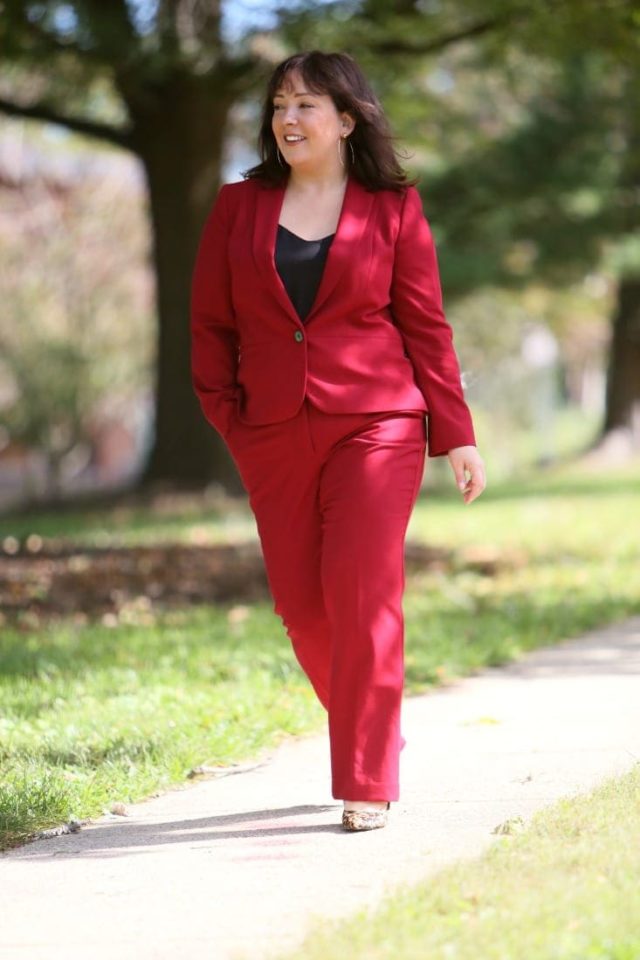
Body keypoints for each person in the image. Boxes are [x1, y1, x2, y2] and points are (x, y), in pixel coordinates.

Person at [190, 50, 486, 832]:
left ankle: (366, 778)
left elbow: (425, 324)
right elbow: (210, 325)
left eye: (307, 105)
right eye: (280, 105)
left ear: (347, 119)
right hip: (272, 430)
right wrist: (231, 420)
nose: (288, 119)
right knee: (301, 607)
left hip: (377, 423)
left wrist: (455, 433)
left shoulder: (392, 209)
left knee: (362, 596)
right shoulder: (236, 206)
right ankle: (373, 719)